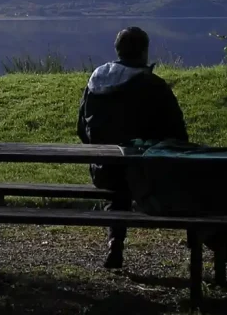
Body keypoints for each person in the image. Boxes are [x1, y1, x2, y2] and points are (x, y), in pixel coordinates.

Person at [76, 26, 188, 269]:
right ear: (145, 52)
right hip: (145, 172)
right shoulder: (152, 85)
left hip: (103, 170)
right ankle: (215, 243)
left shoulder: (96, 81)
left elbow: (81, 128)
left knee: (119, 182)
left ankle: (115, 241)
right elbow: (178, 132)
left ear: (118, 50)